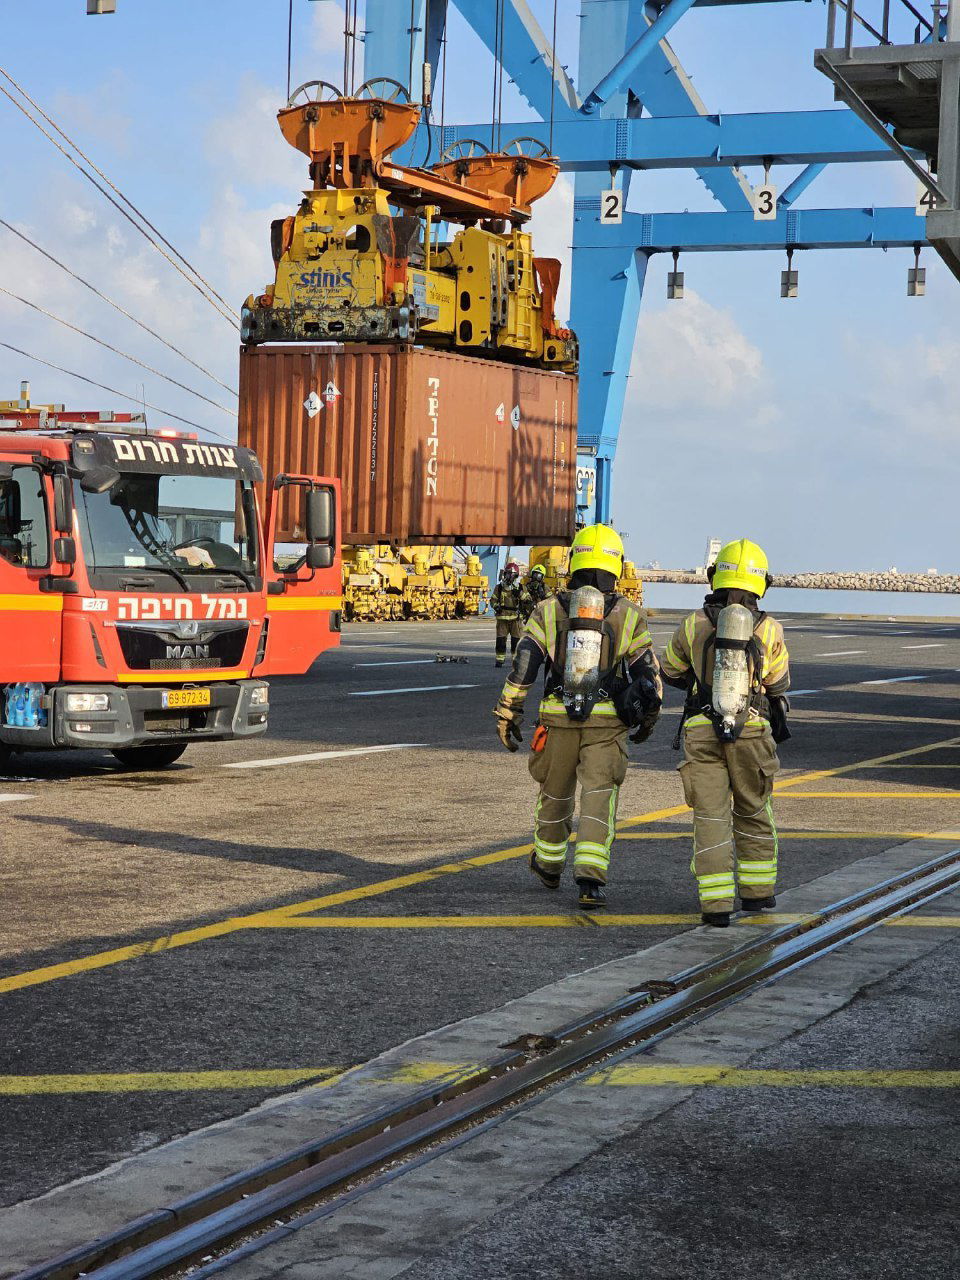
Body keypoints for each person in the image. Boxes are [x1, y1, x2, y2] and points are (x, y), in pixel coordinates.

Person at [493, 524, 662, 909]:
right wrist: (648, 720)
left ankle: (549, 866)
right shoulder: (630, 615)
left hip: (556, 718)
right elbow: (648, 677)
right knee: (599, 796)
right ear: (616, 565)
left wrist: (508, 713)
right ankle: (590, 879)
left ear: (575, 561)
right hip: (606, 723)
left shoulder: (548, 610)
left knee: (554, 793)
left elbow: (524, 667)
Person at [659, 538, 790, 927]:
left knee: (711, 817)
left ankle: (715, 905)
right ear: (760, 583)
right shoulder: (770, 629)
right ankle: (757, 894)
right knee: (753, 809)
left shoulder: (693, 623)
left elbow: (668, 670)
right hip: (751, 730)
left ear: (715, 577)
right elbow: (779, 683)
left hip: (702, 730)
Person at [490, 560, 531, 668]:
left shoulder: (521, 588)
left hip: (516, 619)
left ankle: (516, 662)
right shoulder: (499, 588)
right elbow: (492, 600)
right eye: (506, 573)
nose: (506, 576)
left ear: (514, 575)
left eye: (508, 574)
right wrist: (496, 607)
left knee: (516, 642)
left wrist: (520, 594)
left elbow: (528, 601)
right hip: (502, 618)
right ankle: (499, 660)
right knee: (500, 641)